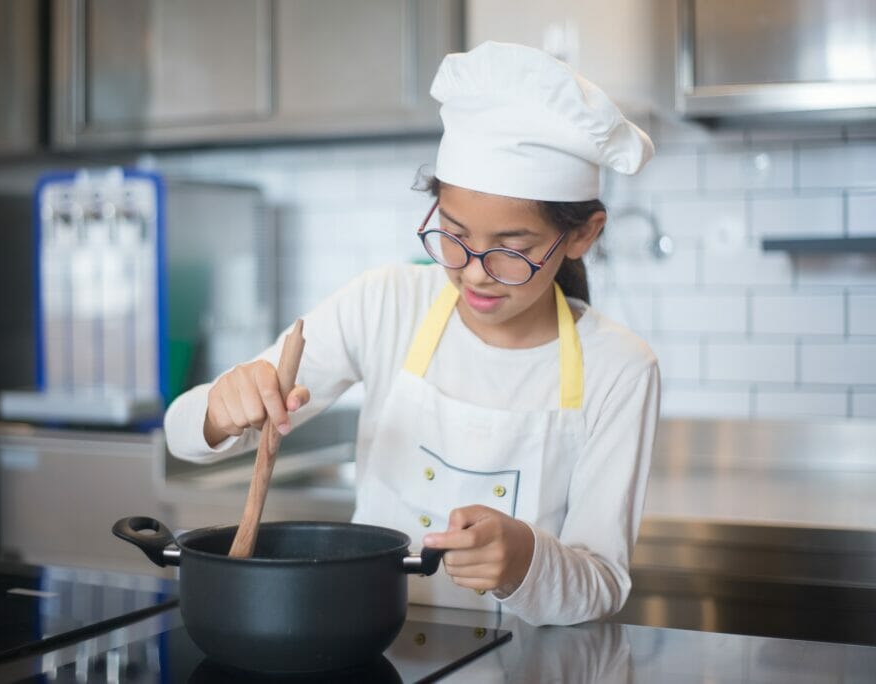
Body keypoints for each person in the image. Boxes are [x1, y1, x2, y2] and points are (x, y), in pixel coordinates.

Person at [164, 41, 660, 626]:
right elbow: (181, 433)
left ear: (582, 235)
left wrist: (528, 560)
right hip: (366, 646)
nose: (473, 272)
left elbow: (601, 583)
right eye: (453, 234)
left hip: (521, 665)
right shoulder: (386, 303)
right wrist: (224, 409)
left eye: (512, 250)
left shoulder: (621, 368)